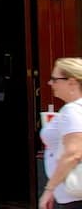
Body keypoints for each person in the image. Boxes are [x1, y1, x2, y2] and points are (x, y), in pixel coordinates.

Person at [40, 57, 82, 209]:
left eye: (55, 79)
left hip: (75, 196)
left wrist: (49, 189)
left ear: (72, 82)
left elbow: (73, 153)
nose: (50, 83)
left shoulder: (72, 111)